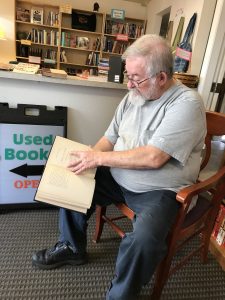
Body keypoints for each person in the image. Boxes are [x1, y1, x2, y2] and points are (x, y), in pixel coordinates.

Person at [32, 34, 206, 299]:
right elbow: (109, 139)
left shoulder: (187, 103)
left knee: (144, 241)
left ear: (161, 77)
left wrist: (97, 159)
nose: (129, 85)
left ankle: (121, 293)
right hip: (117, 178)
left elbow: (153, 157)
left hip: (159, 191)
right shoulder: (133, 96)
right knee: (70, 180)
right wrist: (88, 157)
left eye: (136, 78)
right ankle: (72, 246)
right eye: (129, 76)